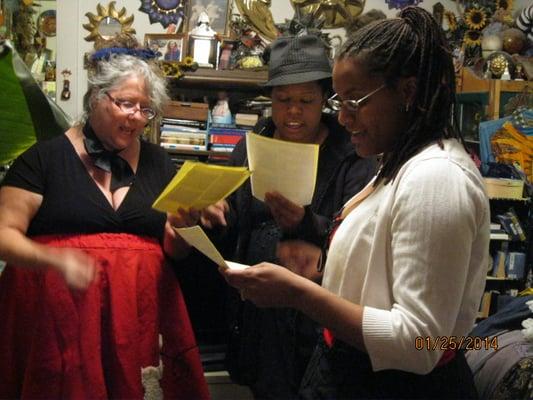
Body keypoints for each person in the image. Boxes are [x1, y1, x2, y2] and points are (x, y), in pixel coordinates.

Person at [221, 7, 490, 399]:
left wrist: (298, 293)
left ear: (408, 93)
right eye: (338, 101)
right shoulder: (397, 165)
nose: (343, 118)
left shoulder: (437, 179)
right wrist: (326, 268)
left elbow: (422, 345)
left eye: (354, 100)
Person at [0, 49, 210, 399]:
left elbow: (174, 248)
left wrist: (186, 226)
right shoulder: (43, 159)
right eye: (126, 103)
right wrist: (53, 259)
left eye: (145, 110)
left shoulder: (160, 163)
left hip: (138, 318)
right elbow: (4, 233)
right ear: (96, 96)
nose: (136, 117)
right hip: (57, 318)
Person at [200, 34, 376, 399]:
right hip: (256, 321)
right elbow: (235, 222)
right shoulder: (252, 145)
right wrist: (213, 213)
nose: (293, 111)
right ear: (270, 100)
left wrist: (304, 223)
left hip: (317, 324)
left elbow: (361, 238)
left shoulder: (350, 154)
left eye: (306, 101)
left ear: (324, 100)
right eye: (283, 100)